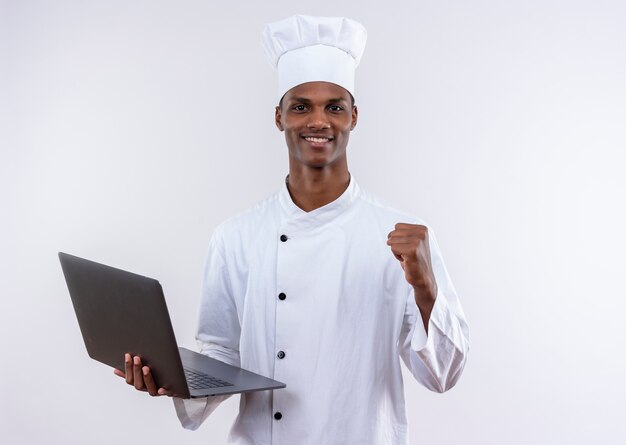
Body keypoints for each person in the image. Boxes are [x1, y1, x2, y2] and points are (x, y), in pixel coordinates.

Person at [115, 15, 469, 444]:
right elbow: (221, 353)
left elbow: (444, 375)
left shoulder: (403, 237)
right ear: (279, 117)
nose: (318, 121)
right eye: (300, 106)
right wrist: (170, 379)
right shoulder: (236, 236)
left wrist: (425, 286)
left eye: (334, 106)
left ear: (354, 116)